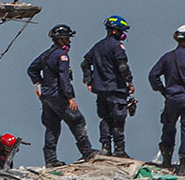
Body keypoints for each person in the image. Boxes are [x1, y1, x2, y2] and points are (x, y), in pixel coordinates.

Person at [27, 24, 98, 168]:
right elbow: (64, 78)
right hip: (59, 96)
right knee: (77, 121)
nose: (69, 42)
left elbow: (31, 70)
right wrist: (70, 97)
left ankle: (50, 159)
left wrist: (41, 85)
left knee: (52, 127)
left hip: (46, 96)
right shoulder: (62, 56)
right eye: (67, 39)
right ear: (60, 40)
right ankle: (87, 152)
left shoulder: (46, 54)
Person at [148, 25, 185, 175]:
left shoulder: (167, 57)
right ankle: (184, 167)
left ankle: (166, 162)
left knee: (168, 129)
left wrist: (163, 90)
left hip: (171, 99)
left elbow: (153, 75)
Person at [81, 15, 135, 157]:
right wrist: (129, 82)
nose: (123, 34)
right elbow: (123, 67)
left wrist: (89, 81)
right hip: (116, 89)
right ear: (114, 31)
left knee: (105, 118)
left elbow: (85, 63)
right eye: (121, 31)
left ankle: (105, 148)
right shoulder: (117, 47)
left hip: (100, 90)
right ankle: (119, 150)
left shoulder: (97, 46)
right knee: (118, 119)